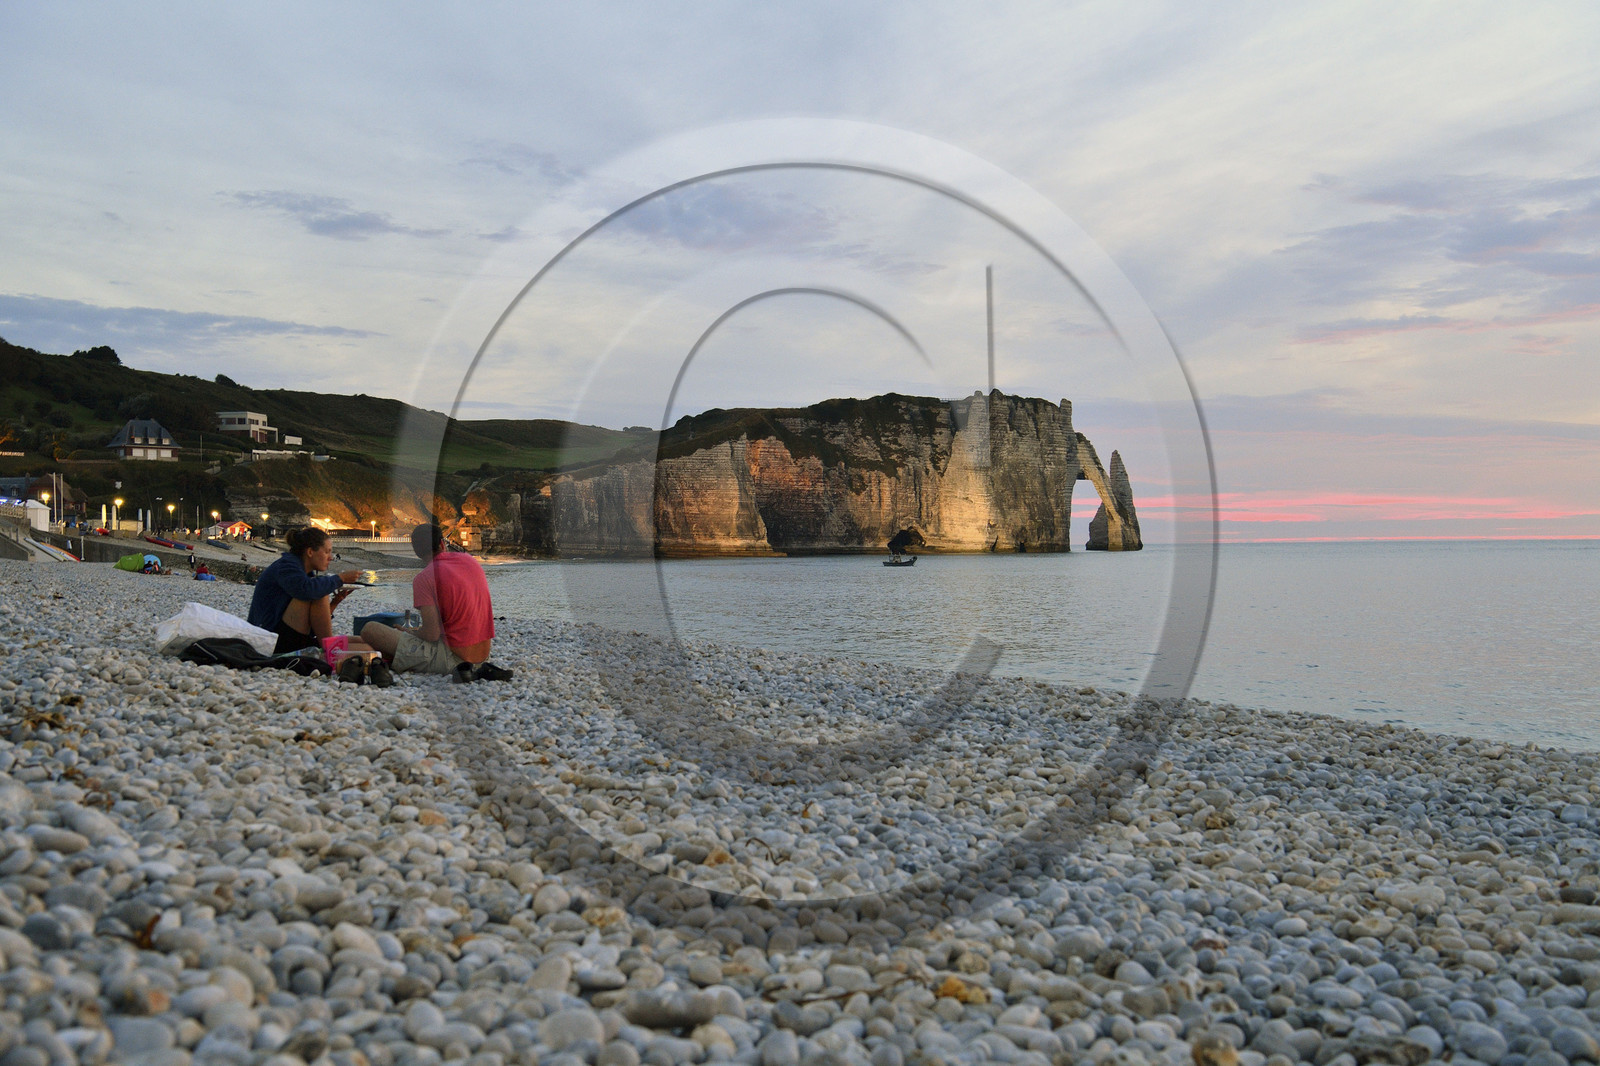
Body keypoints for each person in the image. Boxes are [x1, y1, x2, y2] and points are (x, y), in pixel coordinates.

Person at [360, 524, 511, 681]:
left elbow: (432, 634)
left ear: (417, 552)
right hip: (483, 655)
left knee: (370, 630)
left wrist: (411, 633)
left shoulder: (424, 578)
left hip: (454, 660)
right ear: (442, 543)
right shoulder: (469, 561)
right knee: (382, 644)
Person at [248, 527, 362, 654]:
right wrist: (341, 578)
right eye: (327, 552)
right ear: (310, 552)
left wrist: (334, 604)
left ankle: (331, 649)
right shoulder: (286, 567)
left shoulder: (303, 573)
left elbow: (313, 624)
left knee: (363, 642)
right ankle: (330, 651)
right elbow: (308, 591)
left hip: (290, 636)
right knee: (318, 590)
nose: (330, 557)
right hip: (270, 639)